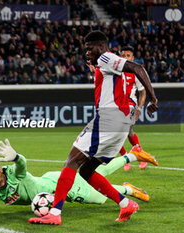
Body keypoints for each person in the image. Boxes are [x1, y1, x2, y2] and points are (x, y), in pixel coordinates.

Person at [29, 30, 158, 225]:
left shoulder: (106, 57)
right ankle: (125, 204)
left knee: (71, 161)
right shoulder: (106, 64)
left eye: (90, 49)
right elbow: (115, 79)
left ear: (100, 46)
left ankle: (54, 213)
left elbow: (138, 68)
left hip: (108, 120)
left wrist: (153, 98)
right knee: (86, 171)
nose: (87, 52)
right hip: (121, 125)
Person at [0, 139, 150, 207]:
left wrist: (17, 157)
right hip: (51, 180)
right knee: (96, 172)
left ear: (0, 168)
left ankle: (127, 188)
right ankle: (131, 157)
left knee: (100, 197)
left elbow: (22, 167)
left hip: (60, 186)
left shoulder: (11, 173)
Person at [118, 46, 147, 171]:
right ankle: (132, 156)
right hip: (116, 105)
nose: (125, 58)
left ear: (132, 58)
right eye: (123, 55)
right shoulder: (116, 71)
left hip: (130, 105)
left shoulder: (135, 72)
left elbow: (142, 91)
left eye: (128, 55)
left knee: (119, 131)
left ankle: (126, 158)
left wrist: (139, 108)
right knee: (127, 132)